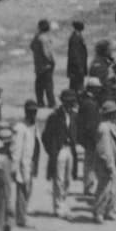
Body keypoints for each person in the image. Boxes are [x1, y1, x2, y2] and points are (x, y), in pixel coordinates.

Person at [42, 88, 79, 219]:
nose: (70, 104)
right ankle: (58, 206)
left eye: (72, 102)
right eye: (68, 102)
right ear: (63, 102)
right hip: (60, 150)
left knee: (68, 179)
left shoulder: (74, 116)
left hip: (70, 149)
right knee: (59, 179)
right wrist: (52, 151)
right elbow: (45, 136)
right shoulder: (55, 116)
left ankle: (63, 203)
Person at [11, 101, 41, 228]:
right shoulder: (20, 128)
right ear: (26, 112)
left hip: (31, 162)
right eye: (30, 112)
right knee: (22, 190)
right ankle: (21, 218)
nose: (33, 114)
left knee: (28, 190)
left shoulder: (34, 126)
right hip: (22, 164)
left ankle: (22, 214)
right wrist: (14, 167)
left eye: (35, 112)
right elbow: (17, 150)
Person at [93, 101, 116, 223]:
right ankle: (99, 212)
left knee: (112, 188)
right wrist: (109, 164)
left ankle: (108, 210)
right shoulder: (103, 128)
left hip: (112, 161)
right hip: (104, 162)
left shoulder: (112, 126)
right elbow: (104, 149)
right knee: (103, 188)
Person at [30, 19, 56, 107]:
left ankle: (40, 102)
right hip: (46, 65)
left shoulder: (37, 37)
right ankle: (51, 102)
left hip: (38, 65)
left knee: (39, 85)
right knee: (48, 85)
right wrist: (51, 61)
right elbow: (47, 53)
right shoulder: (45, 38)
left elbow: (32, 47)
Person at [66, 19, 88, 92]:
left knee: (78, 84)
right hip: (76, 66)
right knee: (76, 85)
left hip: (79, 65)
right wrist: (79, 66)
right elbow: (74, 53)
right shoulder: (75, 38)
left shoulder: (78, 36)